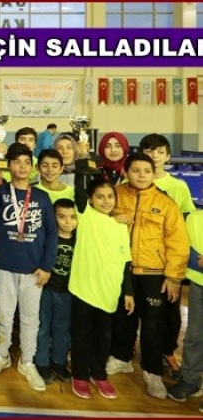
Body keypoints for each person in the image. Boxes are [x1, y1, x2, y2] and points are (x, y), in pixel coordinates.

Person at [105, 153, 189, 400]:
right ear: (126, 172)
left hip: (154, 273)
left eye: (146, 171)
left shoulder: (166, 203)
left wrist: (173, 277)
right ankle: (122, 358)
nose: (141, 175)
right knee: (122, 318)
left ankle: (152, 372)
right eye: (135, 170)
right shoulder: (114, 195)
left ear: (154, 174)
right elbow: (97, 219)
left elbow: (178, 243)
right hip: (121, 269)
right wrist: (112, 218)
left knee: (153, 325)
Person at [0, 143, 58, 392]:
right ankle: (1, 355)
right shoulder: (0, 191)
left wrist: (47, 266)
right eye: (16, 162)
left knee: (31, 318)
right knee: (4, 315)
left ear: (32, 167)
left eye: (26, 162)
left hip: (34, 269)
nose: (22, 167)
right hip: (5, 266)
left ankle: (27, 361)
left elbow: (52, 233)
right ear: (8, 166)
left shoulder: (41, 197)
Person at [68, 180, 134, 399]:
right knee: (81, 336)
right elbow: (79, 188)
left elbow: (125, 261)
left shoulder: (121, 226)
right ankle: (79, 375)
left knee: (104, 337)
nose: (106, 201)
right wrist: (84, 161)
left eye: (110, 196)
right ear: (90, 199)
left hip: (109, 292)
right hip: (84, 289)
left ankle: (99, 374)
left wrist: (128, 292)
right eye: (99, 197)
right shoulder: (86, 216)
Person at [139, 134, 196, 381]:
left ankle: (167, 352)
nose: (154, 156)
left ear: (168, 156)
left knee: (169, 313)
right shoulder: (130, 179)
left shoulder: (178, 187)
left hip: (166, 262)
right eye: (148, 151)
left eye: (159, 151)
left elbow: (186, 223)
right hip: (138, 260)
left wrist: (177, 263)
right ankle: (125, 350)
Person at [34, 198, 77, 386]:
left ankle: (59, 362)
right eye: (62, 217)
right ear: (53, 217)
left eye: (72, 217)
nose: (68, 222)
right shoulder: (47, 237)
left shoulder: (80, 239)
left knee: (62, 329)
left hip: (68, 291)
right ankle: (42, 362)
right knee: (43, 327)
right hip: (45, 289)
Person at [166, 209, 203, 408]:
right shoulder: (194, 219)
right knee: (194, 337)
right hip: (199, 284)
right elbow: (186, 251)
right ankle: (190, 380)